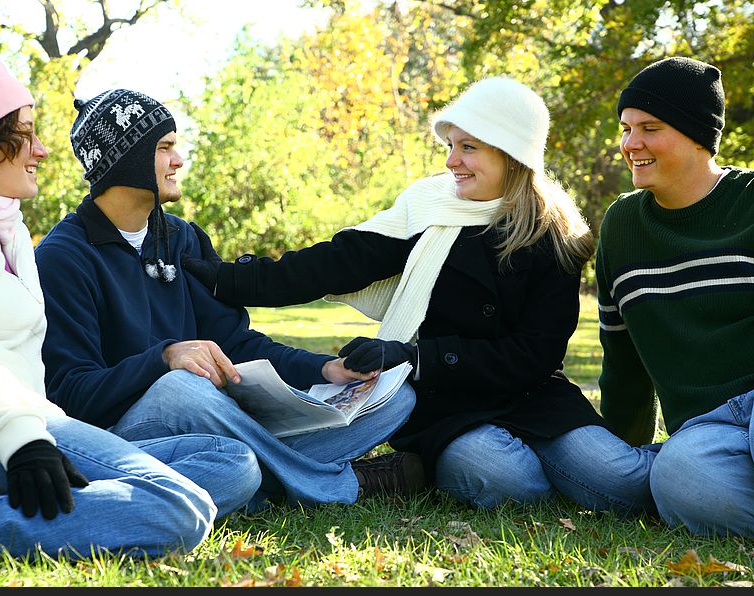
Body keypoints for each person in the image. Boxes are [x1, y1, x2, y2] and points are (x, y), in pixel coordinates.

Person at [183, 77, 657, 514]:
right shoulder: (430, 208)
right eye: (451, 146)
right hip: (449, 404)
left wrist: (416, 354)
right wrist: (229, 279)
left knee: (621, 483)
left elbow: (535, 352)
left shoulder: (555, 235)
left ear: (512, 156)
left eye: (468, 148)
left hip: (535, 395)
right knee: (510, 482)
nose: (452, 161)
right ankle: (424, 470)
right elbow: (334, 263)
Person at [0, 48, 262, 564]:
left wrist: (41, 435)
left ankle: (11, 507)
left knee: (232, 461)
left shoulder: (3, 229)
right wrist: (23, 444)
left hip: (34, 422)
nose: (41, 150)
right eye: (26, 133)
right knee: (180, 507)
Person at [32, 89, 418, 511]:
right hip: (127, 434)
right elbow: (72, 395)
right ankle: (338, 484)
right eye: (164, 148)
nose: (178, 160)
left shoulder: (182, 239)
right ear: (124, 159)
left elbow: (236, 344)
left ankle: (267, 483)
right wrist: (164, 359)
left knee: (393, 397)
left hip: (216, 423)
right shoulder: (63, 257)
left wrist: (325, 369)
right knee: (182, 387)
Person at [596, 57, 754, 536]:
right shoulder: (622, 226)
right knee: (679, 477)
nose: (631, 144)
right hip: (708, 430)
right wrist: (620, 450)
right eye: (625, 129)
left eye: (650, 127)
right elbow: (622, 360)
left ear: (697, 135)